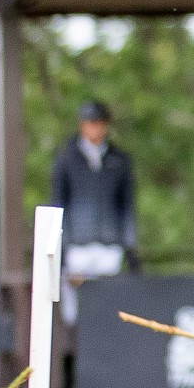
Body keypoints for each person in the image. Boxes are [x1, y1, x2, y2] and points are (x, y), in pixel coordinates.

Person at [50, 99, 138, 326]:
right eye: (90, 123)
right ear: (82, 125)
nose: (95, 129)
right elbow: (59, 204)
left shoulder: (119, 161)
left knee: (107, 308)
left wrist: (129, 245)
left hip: (109, 245)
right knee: (74, 314)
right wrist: (62, 249)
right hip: (78, 246)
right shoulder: (66, 159)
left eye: (99, 123)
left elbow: (126, 206)